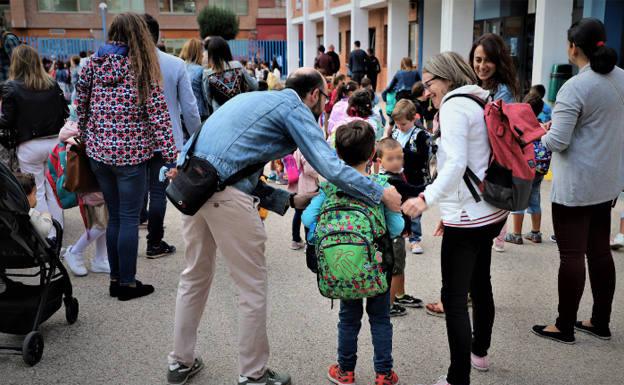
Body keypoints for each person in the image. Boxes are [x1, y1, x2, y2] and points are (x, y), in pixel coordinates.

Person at [165, 67, 402, 385]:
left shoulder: (254, 100)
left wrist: (288, 201)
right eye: (324, 95)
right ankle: (252, 374)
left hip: (192, 187)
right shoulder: (294, 107)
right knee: (251, 286)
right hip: (225, 195)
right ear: (315, 94)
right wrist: (379, 192)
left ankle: (180, 361)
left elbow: (238, 168)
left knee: (193, 276)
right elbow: (329, 166)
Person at [402, 52, 508, 385]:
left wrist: (426, 199)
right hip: (489, 210)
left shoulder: (453, 105)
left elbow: (457, 162)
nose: (426, 91)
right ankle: (480, 353)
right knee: (481, 283)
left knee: (454, 297)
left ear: (446, 78)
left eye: (428, 83)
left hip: (470, 215)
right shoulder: (480, 98)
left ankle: (457, 377)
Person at [531, 17, 624, 344]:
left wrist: (542, 135)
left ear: (574, 48)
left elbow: (558, 141)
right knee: (599, 251)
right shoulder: (622, 79)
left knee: (571, 255)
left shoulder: (574, 87)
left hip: (576, 185)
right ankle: (600, 321)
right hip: (608, 181)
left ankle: (564, 325)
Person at [76, 13, 177, 301]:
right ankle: (128, 284)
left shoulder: (92, 64)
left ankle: (115, 279)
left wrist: (89, 135)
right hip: (132, 155)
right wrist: (170, 157)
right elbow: (159, 117)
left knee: (115, 216)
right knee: (129, 218)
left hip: (100, 153)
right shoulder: (143, 68)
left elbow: (80, 106)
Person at [301, 120, 402, 385]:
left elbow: (309, 218)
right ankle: (383, 374)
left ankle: (345, 371)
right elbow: (397, 226)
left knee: (348, 319)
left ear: (337, 155)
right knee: (381, 319)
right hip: (378, 266)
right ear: (372, 155)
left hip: (343, 267)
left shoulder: (331, 187)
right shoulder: (380, 186)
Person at [142, 14, 201, 258]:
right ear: (158, 35)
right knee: (158, 192)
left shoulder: (123, 63)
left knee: (132, 193)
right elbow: (189, 108)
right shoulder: (175, 64)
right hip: (166, 139)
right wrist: (197, 135)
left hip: (129, 142)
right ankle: (154, 241)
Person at [0, 45, 68, 232]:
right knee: (54, 191)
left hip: (29, 145)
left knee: (36, 191)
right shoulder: (51, 84)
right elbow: (64, 111)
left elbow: (6, 121)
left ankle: (48, 235)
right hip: (54, 142)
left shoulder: (10, 87)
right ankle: (58, 233)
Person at [469, 33, 519, 252]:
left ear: (498, 62)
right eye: (478, 60)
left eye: (488, 60)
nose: (482, 66)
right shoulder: (473, 85)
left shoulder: (503, 92)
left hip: (491, 166)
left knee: (479, 239)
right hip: (475, 164)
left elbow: (500, 135)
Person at [377, 137, 426, 317]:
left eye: (399, 157)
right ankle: (388, 305)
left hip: (399, 231)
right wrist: (434, 185)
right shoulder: (391, 180)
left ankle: (400, 294)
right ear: (379, 161)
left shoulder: (396, 175)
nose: (396, 162)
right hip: (393, 233)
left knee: (400, 265)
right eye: (391, 159)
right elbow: (413, 189)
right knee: (395, 268)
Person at [58, 121, 111, 277]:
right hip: (91, 178)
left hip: (91, 177)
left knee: (103, 220)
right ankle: (75, 251)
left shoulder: (79, 124)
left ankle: (100, 259)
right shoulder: (89, 125)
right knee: (102, 221)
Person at [504, 91, 551, 245]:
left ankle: (516, 235)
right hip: (540, 169)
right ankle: (536, 233)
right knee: (535, 198)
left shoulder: (522, 126)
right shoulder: (542, 126)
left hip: (525, 169)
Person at [390, 99, 430, 255]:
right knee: (398, 208)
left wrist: (402, 152)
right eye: (398, 123)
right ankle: (400, 234)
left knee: (413, 211)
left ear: (414, 118)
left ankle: (415, 239)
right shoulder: (395, 131)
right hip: (397, 178)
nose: (400, 127)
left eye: (404, 124)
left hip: (415, 178)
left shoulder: (420, 135)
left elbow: (423, 158)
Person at [202, 36, 258, 115]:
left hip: (219, 114)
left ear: (211, 54)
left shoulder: (207, 73)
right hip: (240, 111)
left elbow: (208, 98)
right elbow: (254, 85)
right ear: (227, 51)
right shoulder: (237, 65)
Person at [288, 148, 320, 250]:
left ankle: (295, 240)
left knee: (298, 213)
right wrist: (317, 173)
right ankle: (308, 242)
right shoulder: (306, 149)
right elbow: (309, 169)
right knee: (308, 215)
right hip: (307, 186)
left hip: (297, 185)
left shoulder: (297, 148)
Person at [15, 172, 53, 239]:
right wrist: (47, 216)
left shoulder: (10, 207)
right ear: (26, 196)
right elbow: (44, 230)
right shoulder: (29, 213)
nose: (36, 197)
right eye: (34, 194)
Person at [179, 38, 209, 122]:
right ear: (198, 53)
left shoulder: (179, 67)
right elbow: (206, 95)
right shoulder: (201, 70)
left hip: (180, 112)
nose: (203, 55)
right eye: (202, 51)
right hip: (199, 112)